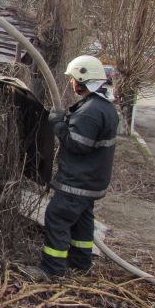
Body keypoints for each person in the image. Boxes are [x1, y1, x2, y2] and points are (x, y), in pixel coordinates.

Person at [25, 55, 119, 280]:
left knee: (57, 216)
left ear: (82, 79)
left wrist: (58, 125)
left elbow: (77, 145)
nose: (71, 83)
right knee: (83, 221)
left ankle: (51, 269)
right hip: (91, 181)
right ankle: (80, 262)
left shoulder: (90, 112)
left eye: (73, 79)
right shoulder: (103, 107)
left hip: (78, 181)